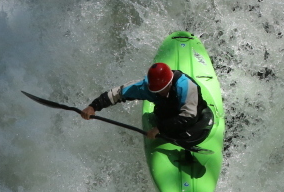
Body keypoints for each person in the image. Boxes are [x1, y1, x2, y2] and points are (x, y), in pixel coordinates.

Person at [81, 62, 213, 147]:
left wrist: (159, 129)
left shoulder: (186, 86)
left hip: (194, 118)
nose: (158, 92)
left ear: (169, 83)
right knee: (161, 113)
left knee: (188, 127)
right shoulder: (146, 87)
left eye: (161, 90)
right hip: (169, 115)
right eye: (155, 90)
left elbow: (189, 116)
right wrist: (93, 106)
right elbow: (117, 93)